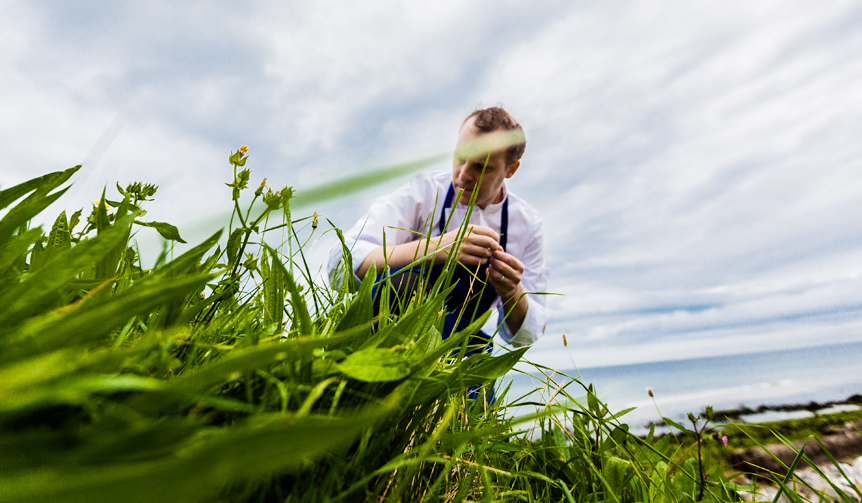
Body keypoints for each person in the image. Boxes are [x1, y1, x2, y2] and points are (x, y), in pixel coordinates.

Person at [326, 106, 548, 350]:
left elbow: (527, 335)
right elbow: (340, 264)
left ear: (511, 170)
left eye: (480, 167)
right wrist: (437, 248)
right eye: (460, 157)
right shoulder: (424, 192)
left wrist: (512, 291)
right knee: (401, 283)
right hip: (403, 335)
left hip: (465, 347)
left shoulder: (527, 225)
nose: (463, 175)